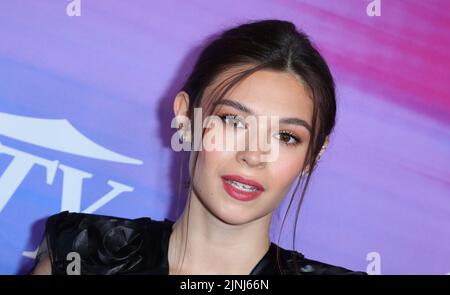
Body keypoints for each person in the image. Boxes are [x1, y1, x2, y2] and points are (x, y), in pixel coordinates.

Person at [31, 19, 366, 275]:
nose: (253, 155)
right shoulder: (85, 257)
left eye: (286, 136)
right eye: (233, 121)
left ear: (313, 154)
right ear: (185, 117)